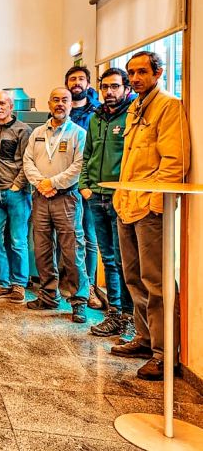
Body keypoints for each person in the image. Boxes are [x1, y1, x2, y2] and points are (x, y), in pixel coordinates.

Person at [111, 51, 190, 381]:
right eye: (131, 72)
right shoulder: (135, 108)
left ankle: (164, 353)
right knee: (133, 277)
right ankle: (144, 338)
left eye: (142, 71)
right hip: (127, 205)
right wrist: (121, 196)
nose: (135, 78)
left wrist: (156, 204)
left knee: (156, 282)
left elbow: (175, 162)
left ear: (158, 73)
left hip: (151, 209)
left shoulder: (169, 106)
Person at [22, 87, 90, 323]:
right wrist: (41, 184)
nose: (60, 104)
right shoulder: (37, 133)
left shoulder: (78, 134)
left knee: (72, 251)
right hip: (41, 198)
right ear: (49, 104)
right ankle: (48, 295)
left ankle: (79, 301)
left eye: (64, 100)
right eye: (56, 100)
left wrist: (53, 183)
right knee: (42, 249)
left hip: (66, 198)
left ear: (71, 104)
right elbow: (28, 161)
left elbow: (79, 166)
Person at [79, 68, 136, 340]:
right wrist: (85, 185)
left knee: (125, 260)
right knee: (109, 259)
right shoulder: (96, 118)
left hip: (120, 198)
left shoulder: (132, 116)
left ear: (126, 88)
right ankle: (114, 314)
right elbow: (87, 153)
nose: (109, 92)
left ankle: (129, 317)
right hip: (96, 196)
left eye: (115, 86)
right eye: (105, 87)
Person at [0, 91, 32, 303]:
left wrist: (16, 185)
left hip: (16, 194)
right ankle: (3, 283)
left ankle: (19, 285)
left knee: (18, 240)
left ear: (11, 106)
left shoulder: (23, 130)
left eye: (2, 103)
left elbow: (28, 161)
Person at [65, 65, 103, 309]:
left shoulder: (98, 114)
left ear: (88, 84)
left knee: (89, 237)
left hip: (88, 185)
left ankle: (88, 286)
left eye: (81, 79)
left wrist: (86, 182)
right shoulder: (61, 113)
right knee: (68, 237)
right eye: (72, 79)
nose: (76, 83)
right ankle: (71, 284)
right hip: (65, 186)